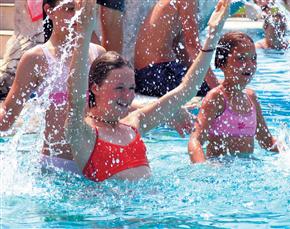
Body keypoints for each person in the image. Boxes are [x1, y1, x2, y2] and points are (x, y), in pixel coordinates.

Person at [66, 0, 231, 181]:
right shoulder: (83, 134)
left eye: (131, 88)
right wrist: (83, 34)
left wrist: (212, 37)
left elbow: (187, 90)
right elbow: (76, 98)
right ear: (95, 88)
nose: (127, 96)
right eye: (119, 88)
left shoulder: (134, 124)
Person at [0, 0, 105, 173]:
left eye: (82, 10)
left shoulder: (97, 54)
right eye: (70, 9)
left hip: (94, 163)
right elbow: (6, 119)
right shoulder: (36, 58)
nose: (77, 16)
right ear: (49, 11)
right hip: (56, 167)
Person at [188, 31, 279, 163]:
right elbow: (195, 140)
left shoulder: (251, 97)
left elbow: (266, 140)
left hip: (248, 168)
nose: (249, 64)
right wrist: (202, 169)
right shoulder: (216, 97)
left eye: (253, 58)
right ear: (222, 62)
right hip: (220, 168)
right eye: (241, 58)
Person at [134, 0, 220, 97]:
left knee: (214, 84)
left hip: (144, 77)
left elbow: (180, 47)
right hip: (158, 74)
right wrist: (217, 88)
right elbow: (192, 46)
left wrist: (200, 76)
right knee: (215, 90)